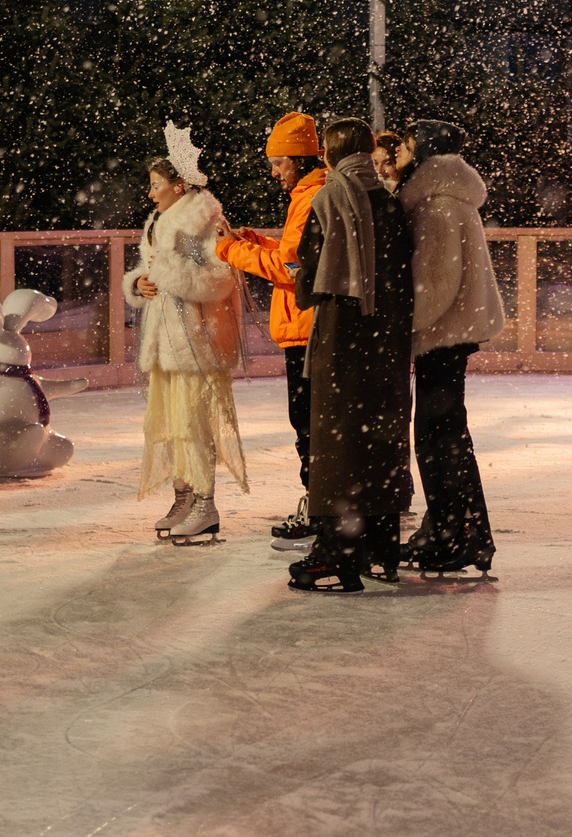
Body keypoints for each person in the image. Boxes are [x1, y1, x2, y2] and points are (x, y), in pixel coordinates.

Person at [286, 115, 416, 593]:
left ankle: (337, 553)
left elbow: (309, 267)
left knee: (337, 442)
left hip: (343, 336)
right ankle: (382, 549)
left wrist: (303, 284)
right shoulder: (389, 201)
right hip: (386, 338)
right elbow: (404, 270)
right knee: (381, 436)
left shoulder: (329, 197)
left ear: (328, 154)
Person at [394, 118, 506, 574]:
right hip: (451, 337)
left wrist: (400, 330)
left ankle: (461, 534)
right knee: (443, 437)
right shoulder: (449, 200)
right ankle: (448, 529)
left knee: (441, 440)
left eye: (405, 144)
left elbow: (435, 285)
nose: (399, 152)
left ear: (423, 151)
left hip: (442, 337)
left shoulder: (437, 205)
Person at [215, 111, 326, 541]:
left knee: (309, 425)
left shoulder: (312, 196)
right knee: (311, 424)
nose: (274, 172)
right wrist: (255, 242)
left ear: (298, 160)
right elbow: (295, 254)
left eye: (279, 162)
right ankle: (321, 505)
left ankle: (319, 507)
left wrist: (229, 250)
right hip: (306, 327)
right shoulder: (309, 194)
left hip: (306, 327)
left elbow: (291, 267)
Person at [132, 125, 246, 544]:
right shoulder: (160, 221)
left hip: (196, 341)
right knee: (170, 423)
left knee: (194, 422)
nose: (152, 194)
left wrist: (163, 273)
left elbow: (220, 278)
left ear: (179, 185)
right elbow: (152, 273)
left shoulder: (202, 222)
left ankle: (204, 503)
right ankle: (183, 496)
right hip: (165, 341)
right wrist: (140, 284)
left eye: (157, 185)